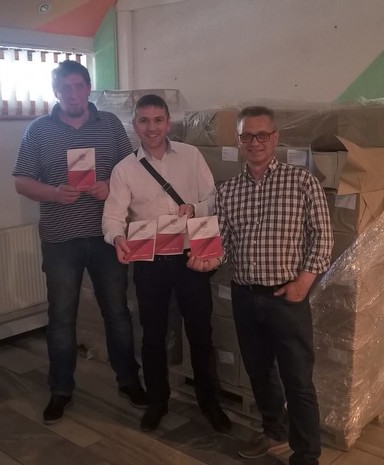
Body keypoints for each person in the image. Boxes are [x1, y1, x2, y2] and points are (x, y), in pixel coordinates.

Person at [188, 106, 333, 465]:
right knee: (260, 373)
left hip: (287, 298)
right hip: (245, 296)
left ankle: (306, 455)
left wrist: (304, 282)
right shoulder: (228, 191)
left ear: (275, 137)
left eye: (262, 135)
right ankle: (273, 432)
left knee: (298, 380)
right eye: (246, 136)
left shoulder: (301, 182)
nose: (254, 142)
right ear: (238, 140)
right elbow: (224, 245)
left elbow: (323, 237)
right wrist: (208, 261)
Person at [12, 60, 147, 424]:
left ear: (88, 88)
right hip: (60, 239)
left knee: (117, 312)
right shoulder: (38, 130)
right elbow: (22, 181)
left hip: (106, 235)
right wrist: (55, 193)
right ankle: (60, 389)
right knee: (61, 317)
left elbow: (131, 172)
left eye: (78, 86)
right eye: (65, 88)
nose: (72, 94)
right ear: (55, 91)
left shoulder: (110, 125)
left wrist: (110, 186)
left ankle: (129, 380)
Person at [102, 94, 231, 433]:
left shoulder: (191, 155)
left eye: (158, 120)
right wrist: (117, 238)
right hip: (150, 261)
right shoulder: (124, 169)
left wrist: (194, 208)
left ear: (168, 122)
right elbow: (113, 216)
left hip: (192, 257)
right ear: (135, 126)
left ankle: (209, 401)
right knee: (153, 336)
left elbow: (214, 198)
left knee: (200, 333)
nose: (152, 127)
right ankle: (158, 402)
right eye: (144, 121)